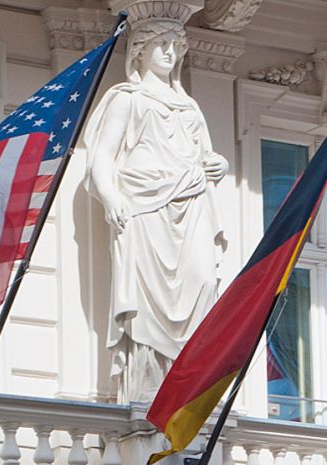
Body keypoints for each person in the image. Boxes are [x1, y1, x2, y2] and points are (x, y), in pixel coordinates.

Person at [85, 19, 227, 402]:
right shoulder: (126, 98)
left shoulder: (190, 106)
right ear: (140, 52)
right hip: (144, 206)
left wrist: (219, 165)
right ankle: (149, 388)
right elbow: (101, 157)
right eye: (161, 43)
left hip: (191, 199)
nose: (169, 51)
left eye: (175, 45)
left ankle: (188, 385)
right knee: (147, 300)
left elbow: (205, 155)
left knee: (204, 281)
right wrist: (111, 196)